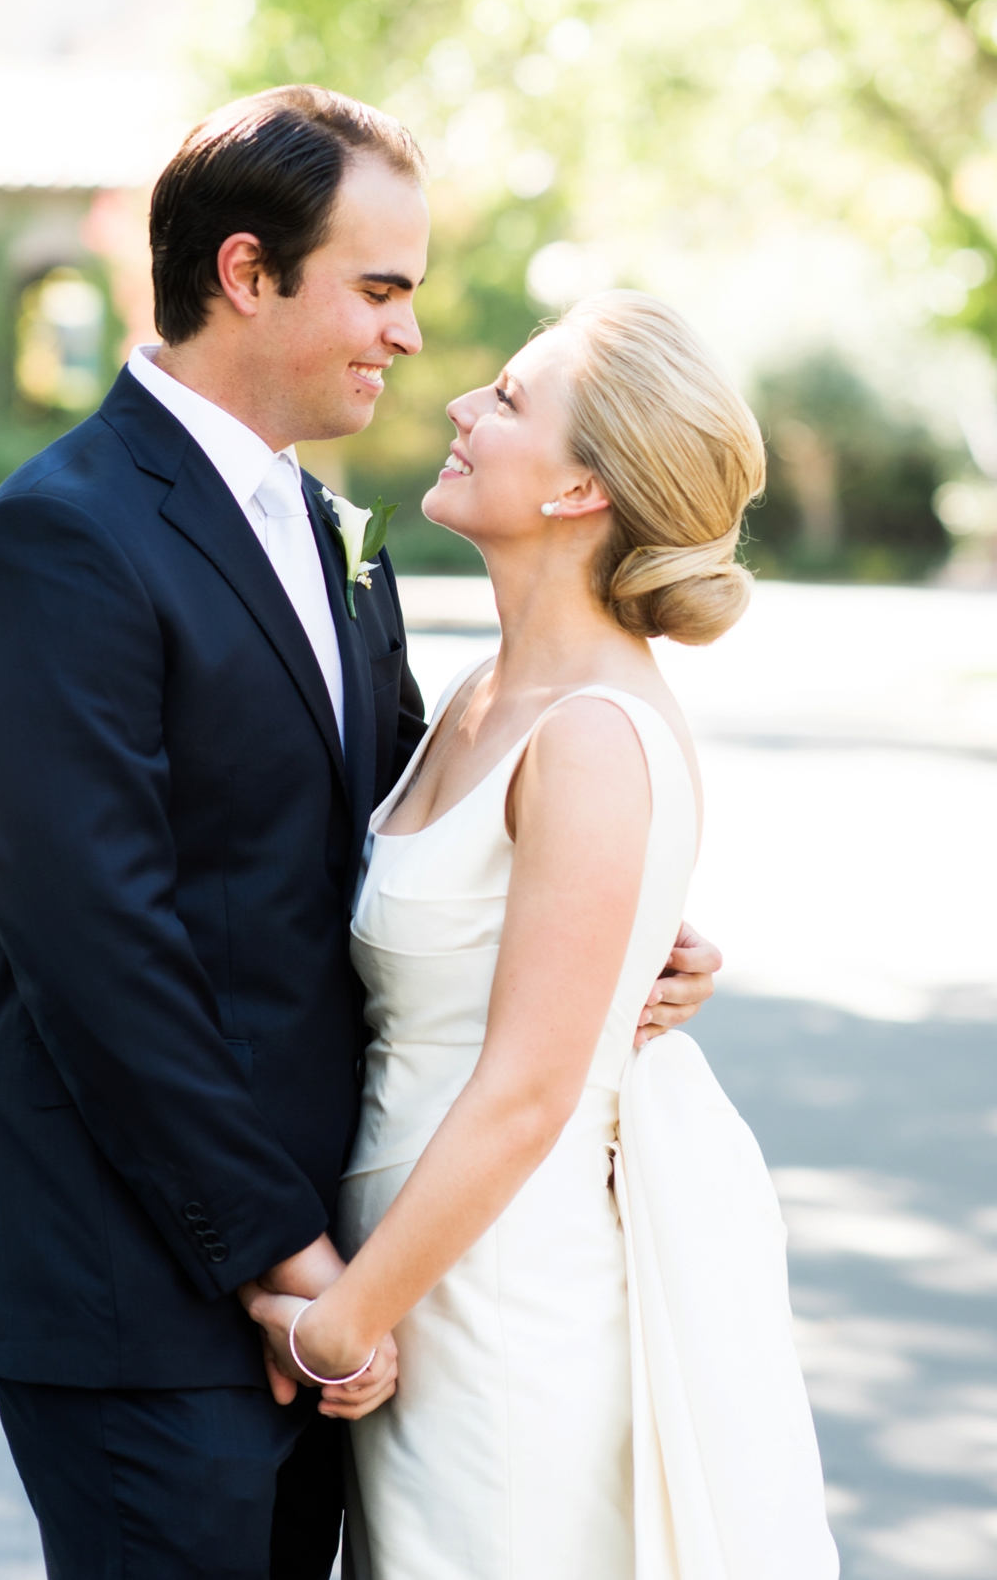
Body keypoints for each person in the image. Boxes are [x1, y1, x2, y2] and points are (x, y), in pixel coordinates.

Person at [0, 88, 720, 1580]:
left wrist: (605, 936)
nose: (409, 336)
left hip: (356, 1277)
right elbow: (104, 954)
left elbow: (408, 841)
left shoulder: (333, 532)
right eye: (380, 288)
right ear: (245, 272)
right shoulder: (65, 542)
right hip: (152, 1285)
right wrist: (288, 1268)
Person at [246, 291, 839, 1579]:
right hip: (424, 1286)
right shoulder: (484, 692)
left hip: (497, 1302)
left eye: (509, 399)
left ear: (583, 488)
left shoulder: (590, 734)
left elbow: (527, 1094)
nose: (460, 405)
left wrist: (344, 1320)